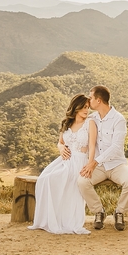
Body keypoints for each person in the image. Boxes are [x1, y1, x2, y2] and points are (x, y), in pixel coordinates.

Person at [28, 94, 96, 234]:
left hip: (80, 161)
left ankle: (66, 220)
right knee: (44, 179)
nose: (86, 110)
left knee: (59, 179)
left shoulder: (90, 123)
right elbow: (60, 142)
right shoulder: (67, 123)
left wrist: (89, 166)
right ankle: (50, 219)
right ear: (75, 107)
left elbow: (92, 146)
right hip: (65, 160)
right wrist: (60, 148)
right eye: (83, 107)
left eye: (88, 107)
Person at [75, 85, 128, 231]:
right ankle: (99, 211)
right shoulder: (92, 118)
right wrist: (62, 145)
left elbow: (116, 147)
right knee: (82, 182)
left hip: (116, 164)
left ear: (98, 100)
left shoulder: (118, 119)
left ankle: (120, 212)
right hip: (98, 167)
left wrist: (94, 162)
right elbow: (75, 128)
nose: (88, 100)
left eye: (90, 98)